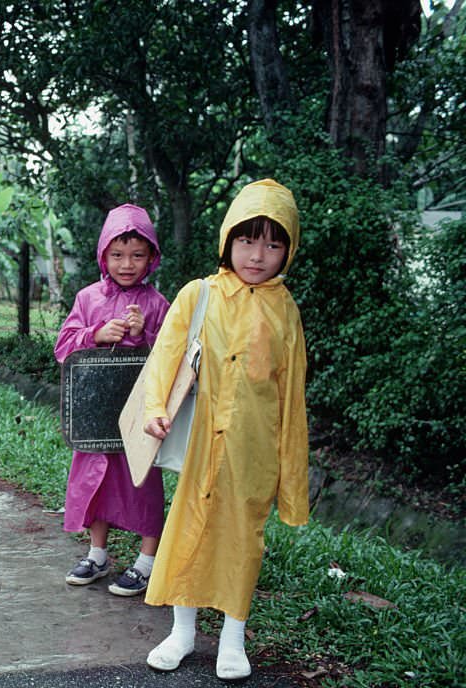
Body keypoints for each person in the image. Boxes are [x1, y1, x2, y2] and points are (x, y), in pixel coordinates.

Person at [141, 179, 308, 681]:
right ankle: (183, 632)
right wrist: (153, 408)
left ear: (288, 250)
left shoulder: (285, 311)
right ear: (228, 240)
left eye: (273, 243)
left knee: (244, 538)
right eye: (247, 240)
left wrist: (291, 483)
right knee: (189, 528)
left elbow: (292, 397)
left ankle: (232, 639)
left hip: (253, 449)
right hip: (199, 443)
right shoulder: (200, 294)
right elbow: (165, 356)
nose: (258, 254)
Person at [54, 204, 170, 597]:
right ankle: (97, 554)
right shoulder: (88, 299)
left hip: (140, 416)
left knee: (143, 483)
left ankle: (147, 562)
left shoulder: (157, 304)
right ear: (103, 254)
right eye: (117, 255)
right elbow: (63, 347)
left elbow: (177, 360)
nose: (127, 264)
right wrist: (96, 334)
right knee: (96, 482)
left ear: (151, 257)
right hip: (96, 414)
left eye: (137, 255)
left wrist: (146, 334)